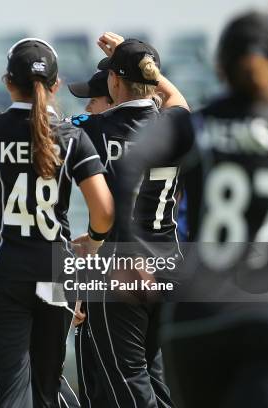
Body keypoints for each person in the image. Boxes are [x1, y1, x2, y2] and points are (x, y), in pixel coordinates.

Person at [124, 11, 268, 408]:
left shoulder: (197, 127)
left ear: (219, 66)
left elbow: (125, 169)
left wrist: (129, 251)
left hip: (194, 314)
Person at [0, 38, 114, 408]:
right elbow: (103, 211)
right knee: (46, 388)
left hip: (0, 271)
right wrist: (96, 240)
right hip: (56, 271)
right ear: (55, 85)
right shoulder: (73, 137)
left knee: (10, 391)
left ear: (8, 81)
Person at [69, 33, 189, 408]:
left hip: (119, 269)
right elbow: (177, 100)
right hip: (169, 263)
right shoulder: (175, 126)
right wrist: (142, 64)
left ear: (114, 81)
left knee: (127, 385)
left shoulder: (92, 129)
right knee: (153, 378)